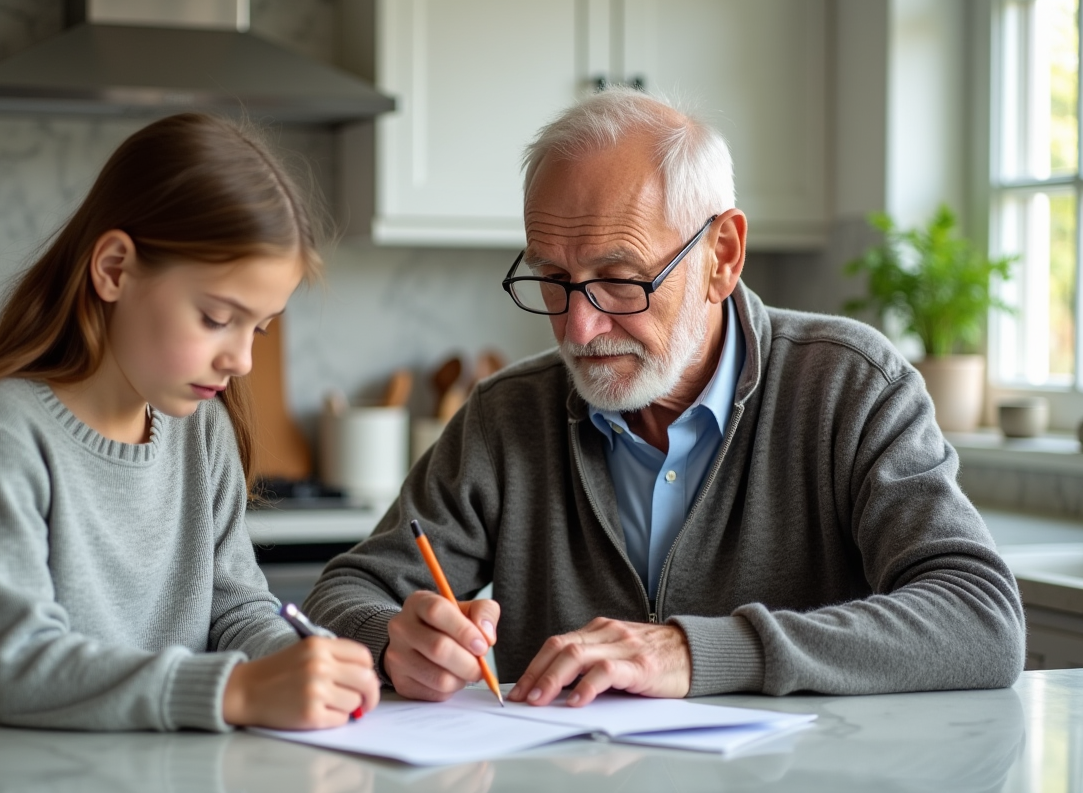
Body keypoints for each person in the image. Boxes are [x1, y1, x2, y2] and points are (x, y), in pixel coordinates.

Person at [304, 89, 1025, 706]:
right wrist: (391, 640)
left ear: (722, 257)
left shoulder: (849, 386)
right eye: (552, 278)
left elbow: (981, 619)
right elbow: (344, 595)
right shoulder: (506, 416)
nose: (579, 326)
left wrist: (696, 652)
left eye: (621, 278)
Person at [0, 114, 380, 731]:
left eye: (258, 327)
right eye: (217, 316)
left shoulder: (203, 430)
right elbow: (19, 664)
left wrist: (299, 663)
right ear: (114, 269)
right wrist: (240, 691)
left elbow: (236, 606)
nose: (243, 360)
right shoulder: (0, 430)